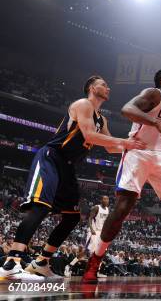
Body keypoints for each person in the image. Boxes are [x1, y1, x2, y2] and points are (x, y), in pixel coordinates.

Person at [0, 76, 144, 281]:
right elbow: (88, 136)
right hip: (52, 157)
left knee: (72, 217)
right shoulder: (83, 104)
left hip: (67, 167)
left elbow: (111, 147)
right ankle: (11, 263)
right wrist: (125, 142)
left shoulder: (102, 119)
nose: (108, 87)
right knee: (40, 207)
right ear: (92, 88)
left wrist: (135, 144)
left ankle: (41, 262)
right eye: (104, 84)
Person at [82, 69, 161, 284]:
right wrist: (155, 122)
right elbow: (127, 109)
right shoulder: (154, 93)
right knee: (122, 208)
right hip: (139, 152)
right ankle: (95, 260)